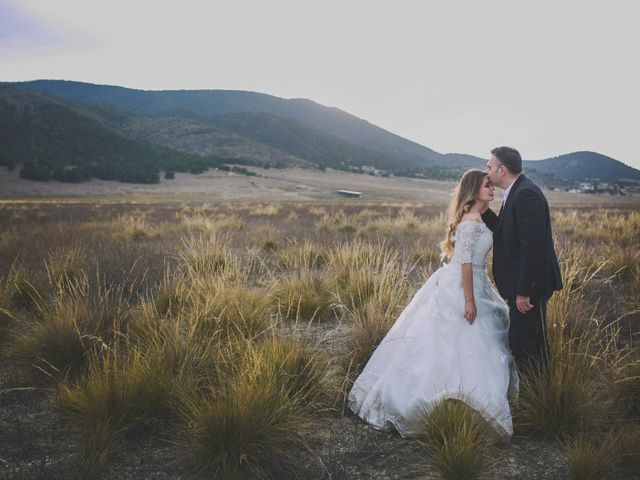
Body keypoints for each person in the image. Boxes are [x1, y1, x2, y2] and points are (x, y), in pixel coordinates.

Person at [348, 169, 519, 439]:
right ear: (474, 190)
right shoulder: (472, 222)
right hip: (465, 286)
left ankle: (463, 404)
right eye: (487, 185)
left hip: (472, 282)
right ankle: (446, 402)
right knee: (457, 340)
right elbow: (465, 264)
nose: (492, 189)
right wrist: (470, 301)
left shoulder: (476, 217)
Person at [481, 146, 563, 374]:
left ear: (502, 169)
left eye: (489, 166)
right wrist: (484, 210)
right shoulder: (516, 192)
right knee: (530, 340)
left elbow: (533, 248)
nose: (486, 171)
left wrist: (524, 291)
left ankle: (536, 394)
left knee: (524, 344)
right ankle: (542, 388)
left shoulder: (527, 194)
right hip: (523, 286)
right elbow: (507, 231)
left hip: (529, 289)